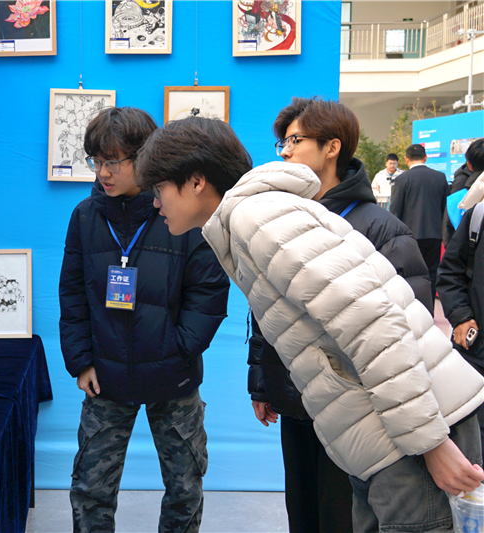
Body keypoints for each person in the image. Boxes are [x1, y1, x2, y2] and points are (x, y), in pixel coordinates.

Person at [136, 115, 484, 532]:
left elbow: (373, 326)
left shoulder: (258, 220)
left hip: (415, 430)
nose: (155, 204)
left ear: (196, 181)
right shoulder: (250, 219)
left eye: (159, 189)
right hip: (390, 431)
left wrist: (431, 443)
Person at [246, 98, 433, 533]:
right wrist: (262, 382)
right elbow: (265, 307)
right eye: (282, 143)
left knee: (342, 518)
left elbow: (410, 328)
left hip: (356, 410)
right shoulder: (282, 221)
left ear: (332, 147)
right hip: (295, 397)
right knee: (302, 515)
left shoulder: (383, 230)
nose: (285, 152)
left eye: (294, 140)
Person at [58, 106, 230, 533]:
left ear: (145, 157)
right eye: (96, 161)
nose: (103, 172)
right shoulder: (85, 216)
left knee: (185, 487)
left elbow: (209, 291)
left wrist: (179, 349)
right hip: (106, 377)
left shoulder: (182, 211)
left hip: (174, 378)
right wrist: (81, 361)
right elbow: (73, 294)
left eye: (113, 161)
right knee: (90, 489)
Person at [438, 147, 484, 460]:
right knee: (473, 444)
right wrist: (462, 317)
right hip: (478, 352)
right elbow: (451, 271)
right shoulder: (478, 213)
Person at [390, 144, 450, 299]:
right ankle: (429, 308)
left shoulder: (402, 179)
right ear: (426, 157)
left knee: (410, 275)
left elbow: (395, 210)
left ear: (406, 159)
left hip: (410, 236)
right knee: (431, 273)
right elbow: (445, 208)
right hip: (434, 235)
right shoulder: (440, 177)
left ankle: (412, 306)